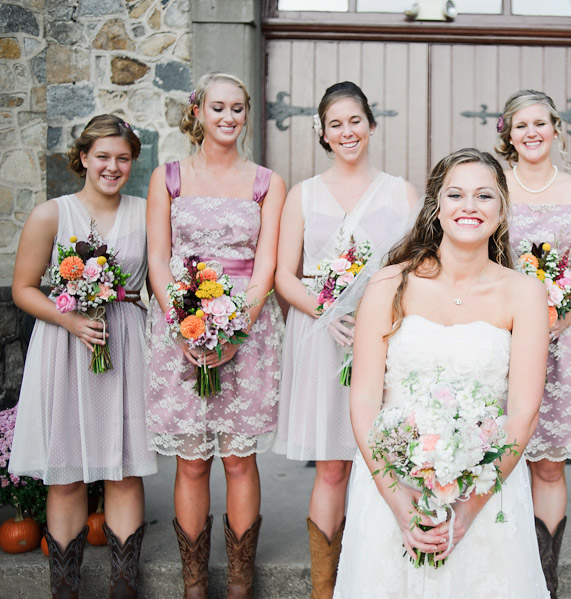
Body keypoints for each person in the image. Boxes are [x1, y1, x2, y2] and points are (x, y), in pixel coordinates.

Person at [333, 148, 550, 597]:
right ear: (436, 206)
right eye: (456, 194)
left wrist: (469, 509)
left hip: (486, 486)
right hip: (392, 480)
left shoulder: (525, 293)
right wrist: (398, 502)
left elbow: (523, 413)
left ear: (502, 209)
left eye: (484, 195)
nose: (469, 206)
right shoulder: (388, 284)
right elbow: (364, 400)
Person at [272, 81, 418, 598]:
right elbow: (284, 276)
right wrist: (325, 309)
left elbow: (419, 268)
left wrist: (385, 317)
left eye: (355, 120)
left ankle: (382, 582)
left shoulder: (401, 193)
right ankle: (324, 590)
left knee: (387, 458)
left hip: (385, 338)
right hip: (320, 336)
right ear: (323, 133)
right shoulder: (303, 194)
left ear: (371, 125)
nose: (347, 131)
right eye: (335, 124)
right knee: (333, 466)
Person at [144, 72, 286, 598]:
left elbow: (267, 266)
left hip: (245, 331)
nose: (228, 118)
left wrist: (233, 331)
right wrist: (181, 320)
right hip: (180, 324)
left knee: (238, 458)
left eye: (238, 109)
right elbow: (159, 259)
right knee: (191, 460)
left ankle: (240, 584)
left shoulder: (267, 182)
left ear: (246, 115)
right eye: (218, 108)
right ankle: (194, 584)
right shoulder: (169, 177)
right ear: (198, 111)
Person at [9, 114, 156, 598]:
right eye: (103, 157)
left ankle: (122, 584)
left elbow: (160, 286)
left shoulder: (147, 212)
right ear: (84, 159)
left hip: (126, 342)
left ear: (132, 161)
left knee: (124, 467)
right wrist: (70, 320)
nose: (113, 167)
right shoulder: (53, 213)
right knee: (67, 472)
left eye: (123, 158)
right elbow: (24, 290)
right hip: (66, 348)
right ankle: (65, 588)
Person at [496, 89, 571, 597]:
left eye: (539, 123)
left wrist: (564, 312)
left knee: (548, 463)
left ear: (556, 128)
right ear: (508, 134)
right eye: (521, 125)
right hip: (503, 335)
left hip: (568, 337)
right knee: (496, 455)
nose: (531, 133)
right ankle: (498, 570)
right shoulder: (494, 188)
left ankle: (546, 577)